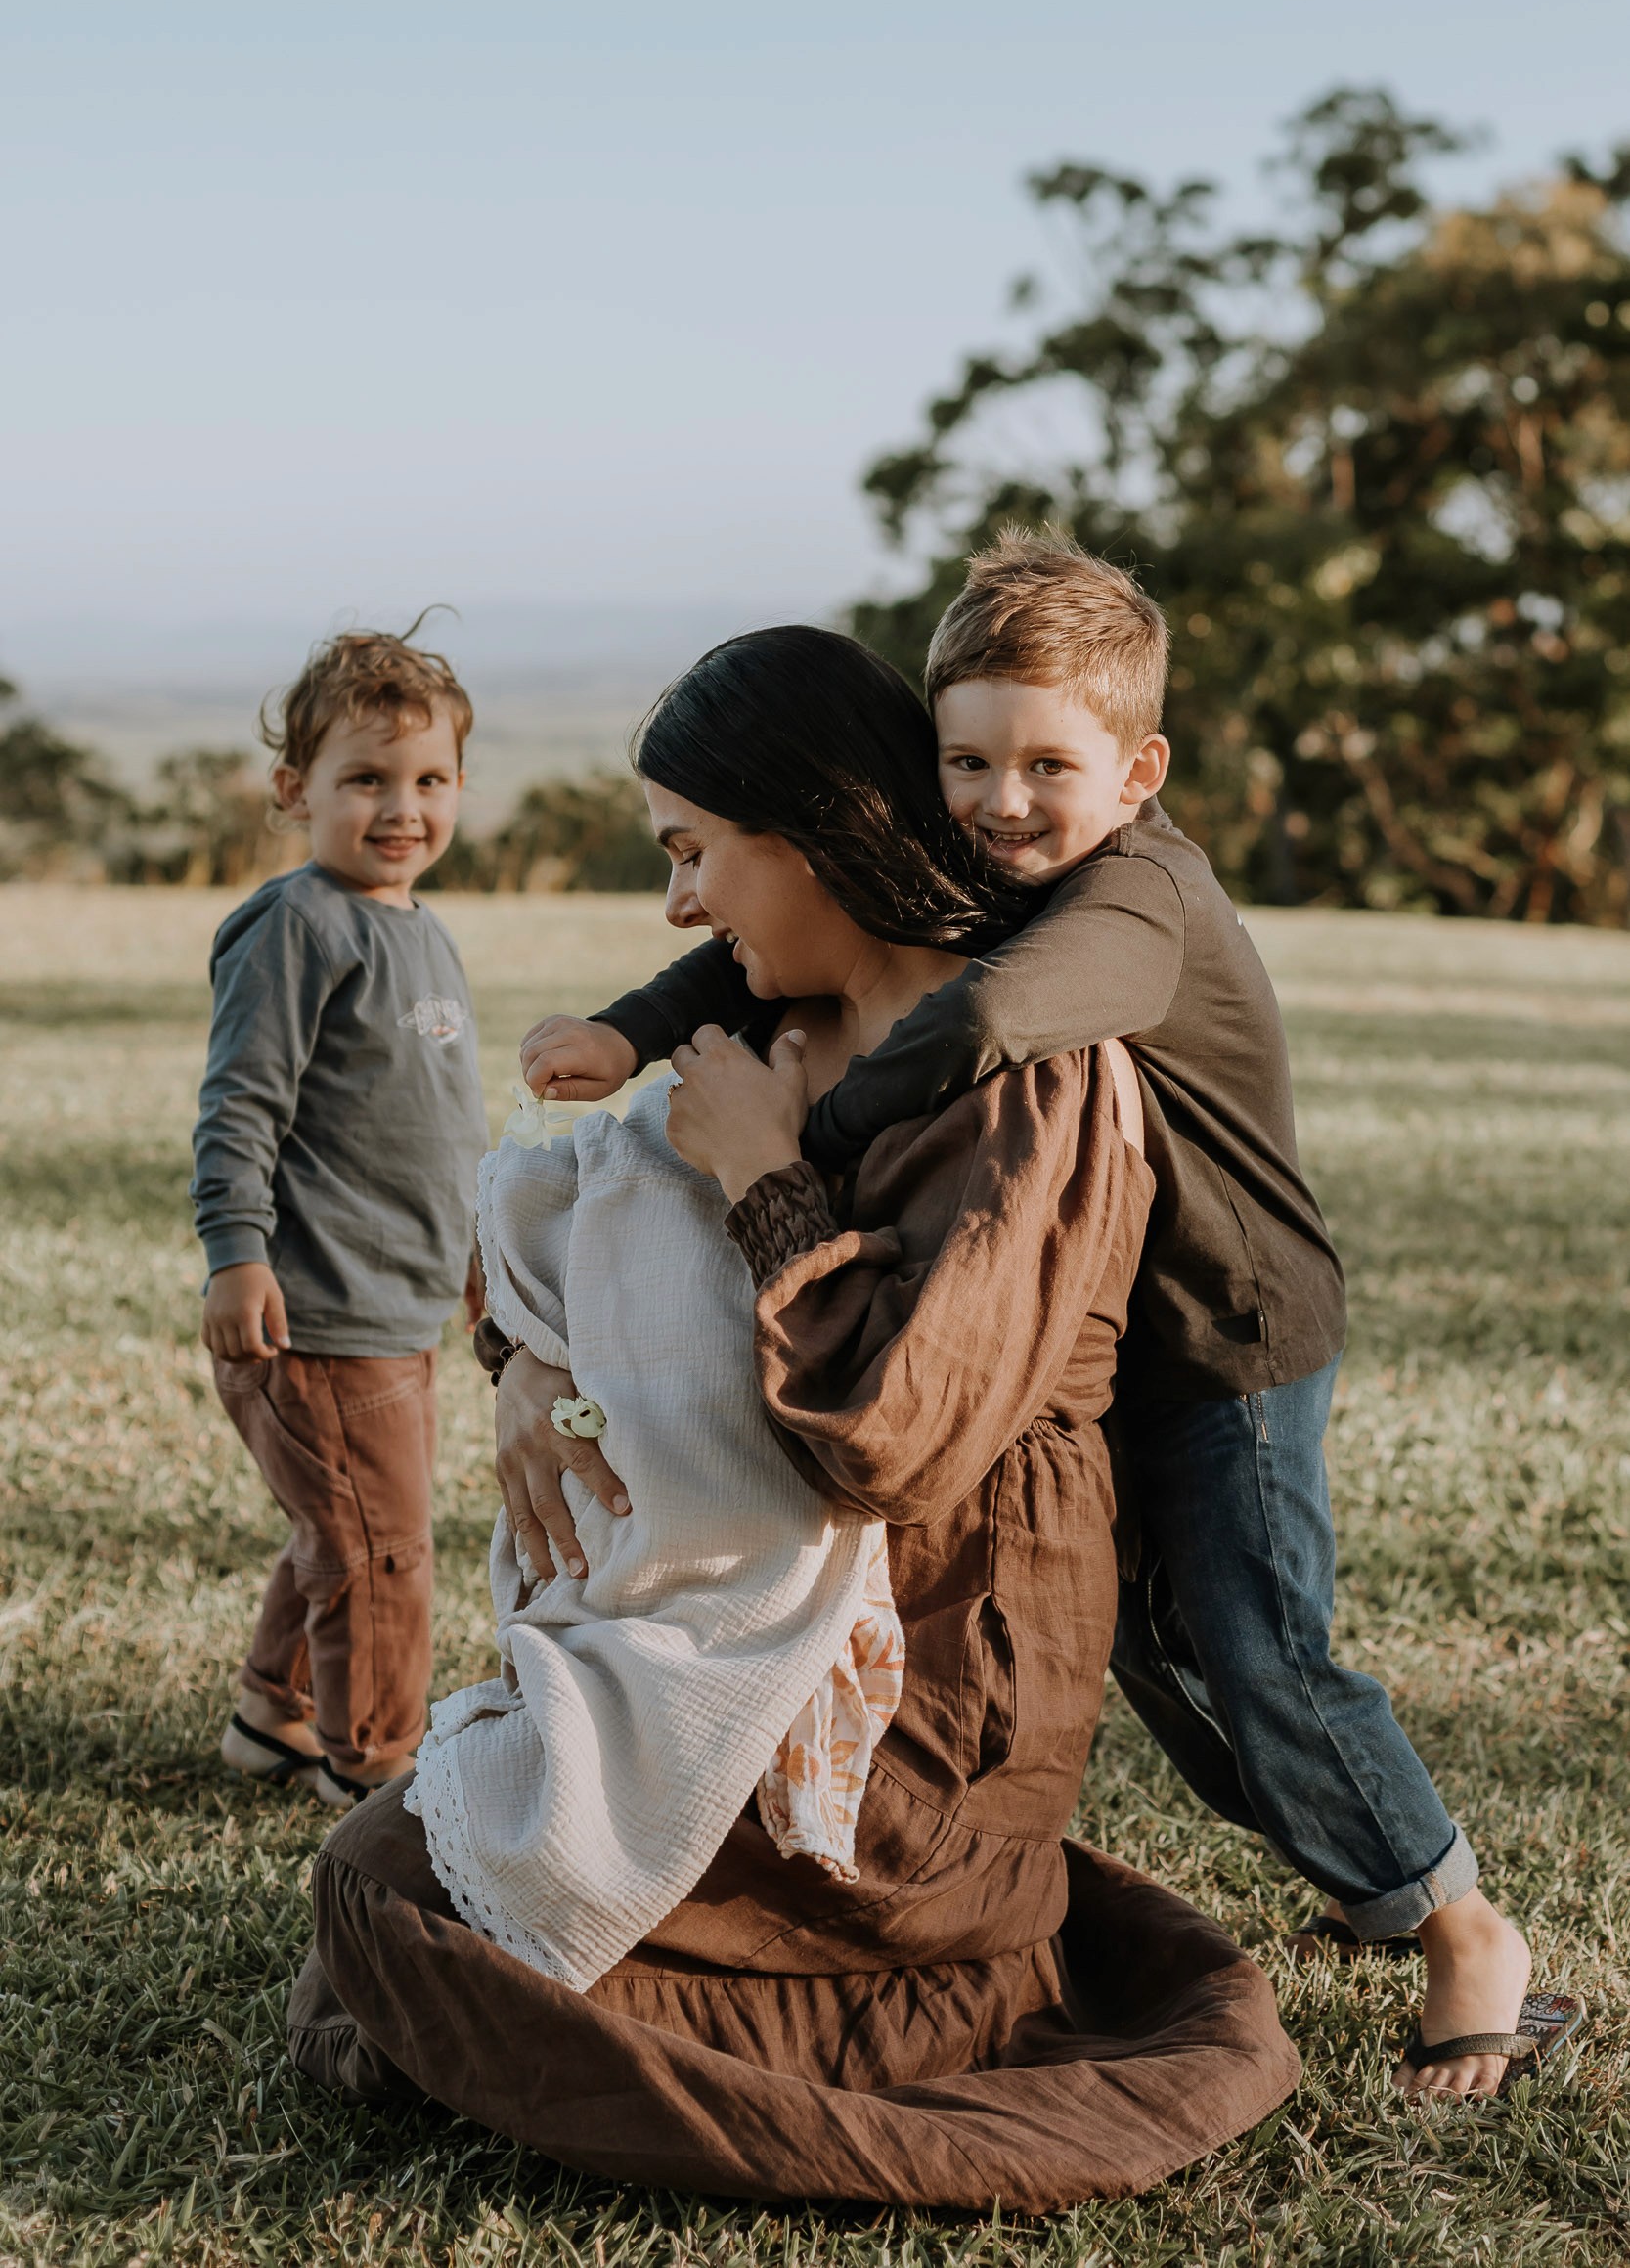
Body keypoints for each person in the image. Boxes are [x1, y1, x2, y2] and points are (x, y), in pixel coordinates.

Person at [518, 536, 1581, 2104]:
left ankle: (1456, 1928)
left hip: (1227, 1339)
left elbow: (988, 1019)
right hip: (1122, 1338)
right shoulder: (999, 874)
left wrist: (790, 1152)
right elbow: (771, 942)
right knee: (1164, 1651)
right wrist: (630, 1028)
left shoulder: (1130, 899)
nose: (1000, 801)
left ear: (1137, 769)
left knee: (1260, 1652)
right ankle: (1371, 1877)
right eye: (963, 760)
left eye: (1044, 764)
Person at [287, 627, 1300, 2210]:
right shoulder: (775, 1023)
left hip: (929, 1709)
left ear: (817, 830)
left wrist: (767, 1174)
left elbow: (889, 1439)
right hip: (737, 1640)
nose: (679, 906)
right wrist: (534, 1374)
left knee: (380, 1900)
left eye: (694, 853)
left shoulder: (1033, 1085)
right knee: (376, 1903)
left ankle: (852, 2008)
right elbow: (597, 1234)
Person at [192, 623, 488, 1807]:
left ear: (460, 789)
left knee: (349, 1527)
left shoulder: (421, 928)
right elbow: (240, 1104)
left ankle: (277, 1715)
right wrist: (235, 1255)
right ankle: (380, 1770)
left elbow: (434, 1128)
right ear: (293, 790)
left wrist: (474, 1257)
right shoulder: (299, 924)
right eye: (364, 778)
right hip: (314, 1317)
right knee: (380, 1551)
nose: (399, 807)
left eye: (427, 780)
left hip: (396, 1305)